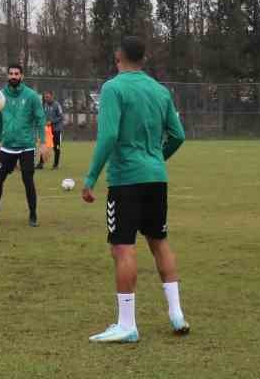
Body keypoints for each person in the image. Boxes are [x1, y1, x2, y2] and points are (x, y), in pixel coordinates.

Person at [80, 35, 190, 344]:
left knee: (123, 248)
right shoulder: (159, 90)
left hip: (126, 180)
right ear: (143, 59)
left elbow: (109, 135)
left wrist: (90, 178)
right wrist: (156, 159)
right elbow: (178, 135)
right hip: (156, 178)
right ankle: (177, 314)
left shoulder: (114, 88)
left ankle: (127, 325)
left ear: (118, 57)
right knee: (160, 242)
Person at [0, 63, 44, 227]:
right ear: (8, 76)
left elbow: (40, 119)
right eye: (11, 74)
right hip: (7, 146)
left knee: (28, 180)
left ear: (22, 76)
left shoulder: (31, 96)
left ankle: (33, 215)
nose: (13, 76)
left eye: (17, 74)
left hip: (26, 146)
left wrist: (42, 142)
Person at [38, 91, 64, 170]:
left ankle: (55, 165)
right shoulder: (45, 105)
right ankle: (41, 164)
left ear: (52, 96)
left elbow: (61, 116)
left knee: (56, 147)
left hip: (56, 130)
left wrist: (52, 122)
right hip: (47, 130)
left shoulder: (57, 105)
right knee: (44, 146)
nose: (46, 99)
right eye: (45, 97)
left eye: (48, 97)